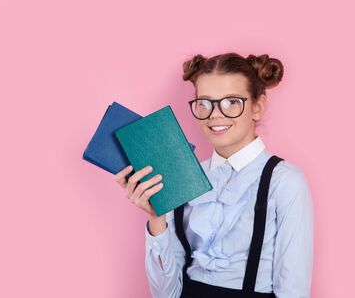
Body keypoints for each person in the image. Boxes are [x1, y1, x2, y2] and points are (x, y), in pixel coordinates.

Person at [115, 52, 314, 298]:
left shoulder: (284, 181)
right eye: (205, 103)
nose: (215, 114)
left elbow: (293, 289)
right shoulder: (185, 173)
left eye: (232, 102)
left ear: (257, 106)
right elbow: (167, 294)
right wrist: (157, 218)